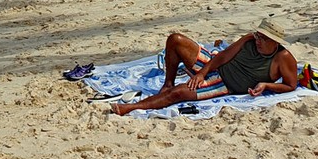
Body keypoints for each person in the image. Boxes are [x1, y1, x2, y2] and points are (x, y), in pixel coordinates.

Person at [109, 19, 297, 116]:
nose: (258, 41)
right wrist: (202, 73)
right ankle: (168, 82)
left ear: (275, 42)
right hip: (215, 64)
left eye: (262, 38)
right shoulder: (250, 40)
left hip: (224, 82)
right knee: (175, 40)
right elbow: (224, 55)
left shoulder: (283, 58)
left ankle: (132, 107)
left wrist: (266, 85)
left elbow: (291, 86)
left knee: (178, 94)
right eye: (257, 35)